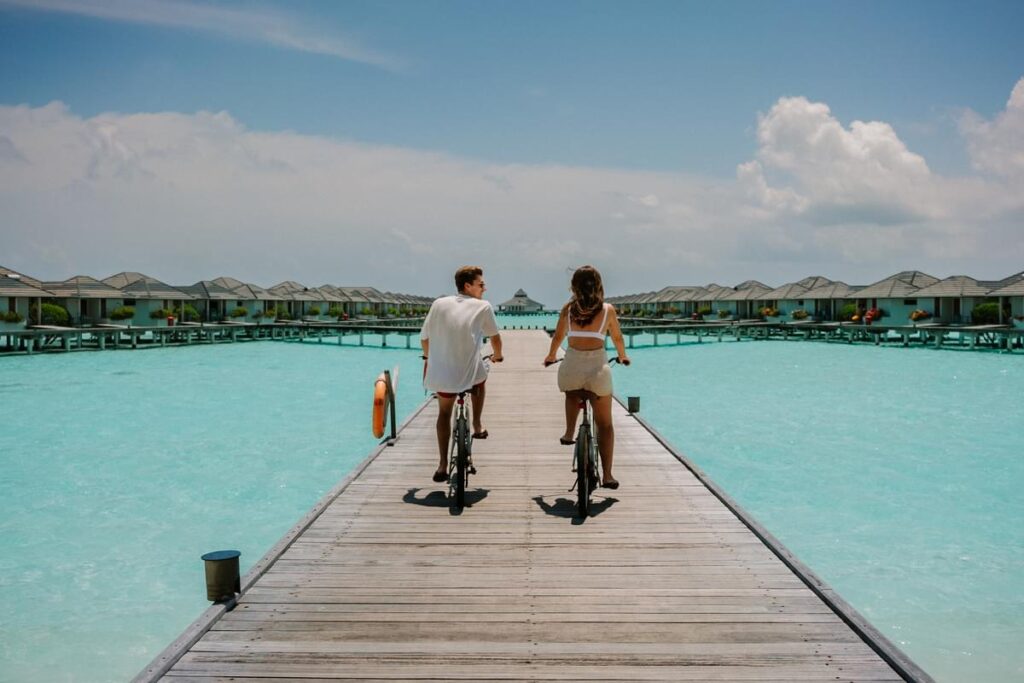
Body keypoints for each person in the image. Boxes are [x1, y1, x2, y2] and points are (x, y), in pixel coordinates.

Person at [543, 265, 629, 489]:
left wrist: (551, 356)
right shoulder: (608, 310)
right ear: (599, 285)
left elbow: (558, 337)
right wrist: (623, 356)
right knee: (605, 425)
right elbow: (618, 338)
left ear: (574, 286)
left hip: (571, 369)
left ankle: (570, 431)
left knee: (571, 392)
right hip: (598, 372)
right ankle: (608, 475)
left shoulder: (568, 309)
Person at [421, 266, 504, 483]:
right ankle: (477, 424)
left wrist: (429, 357)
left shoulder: (438, 304)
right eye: (481, 284)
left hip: (442, 374)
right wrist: (498, 355)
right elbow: (495, 339)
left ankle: (441, 465)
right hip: (469, 372)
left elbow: (424, 339)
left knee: (444, 414)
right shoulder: (483, 306)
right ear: (468, 286)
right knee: (481, 377)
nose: (485, 288)